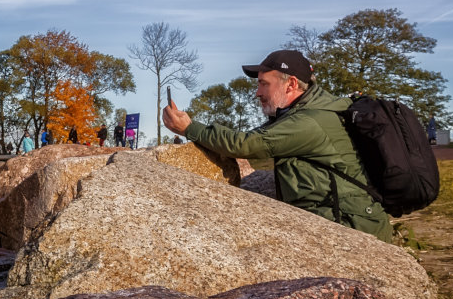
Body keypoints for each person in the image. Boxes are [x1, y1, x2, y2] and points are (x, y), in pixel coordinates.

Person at [163, 49, 392, 242]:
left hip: (352, 228)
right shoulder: (301, 114)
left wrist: (190, 128)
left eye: (263, 84)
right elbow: (250, 137)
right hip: (343, 221)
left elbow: (245, 144)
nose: (257, 92)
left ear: (291, 84)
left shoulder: (308, 121)